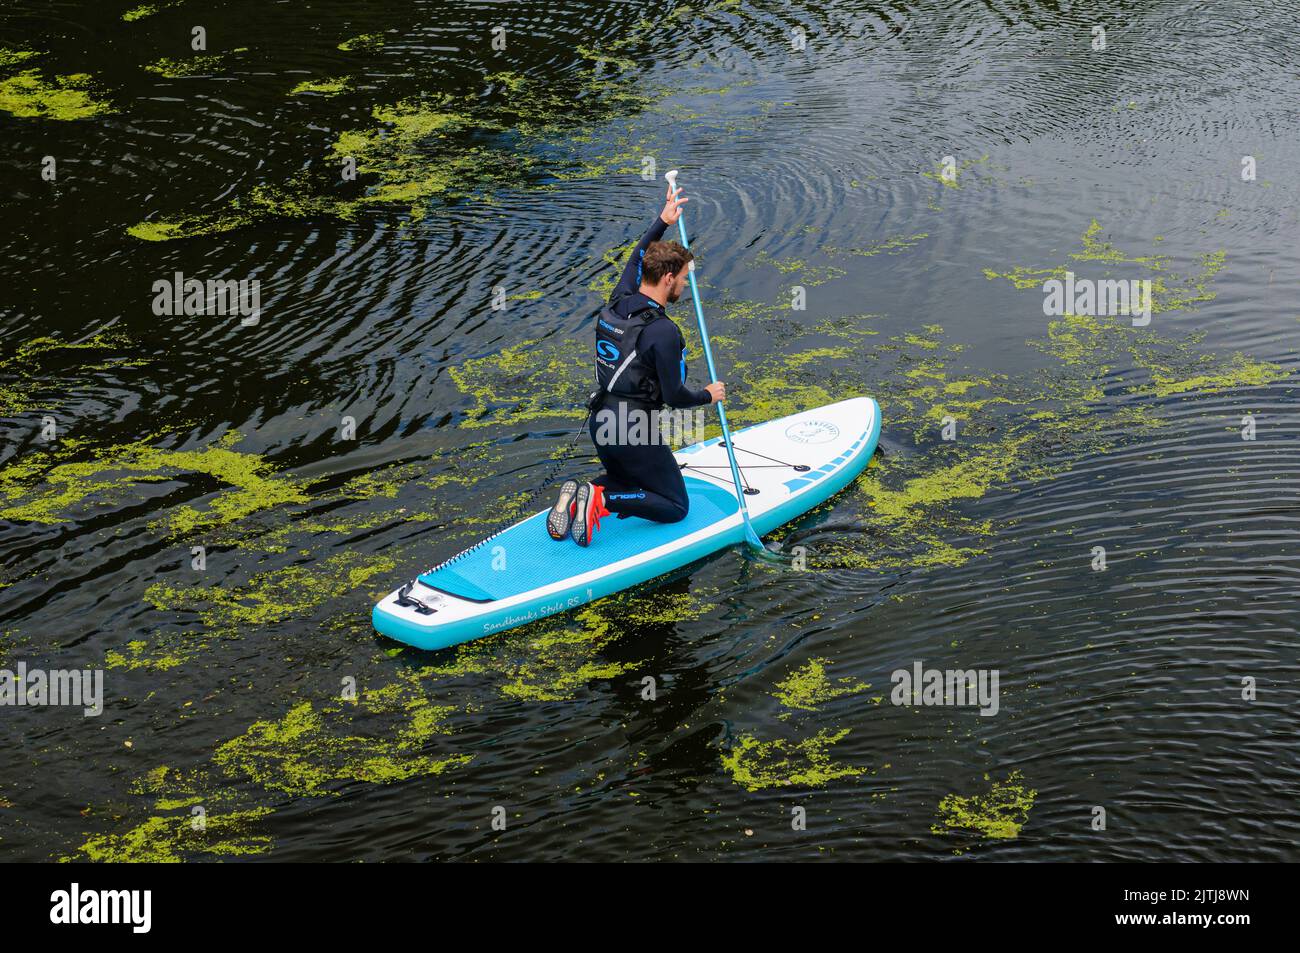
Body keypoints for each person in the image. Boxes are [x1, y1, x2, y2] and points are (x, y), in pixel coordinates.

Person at [549, 183, 726, 547]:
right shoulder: (663, 331)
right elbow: (675, 397)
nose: (683, 287)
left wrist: (662, 222)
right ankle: (601, 497)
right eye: (682, 279)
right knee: (675, 506)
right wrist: (707, 396)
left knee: (631, 480)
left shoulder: (619, 300)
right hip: (633, 430)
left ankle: (584, 492)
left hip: (601, 419)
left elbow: (635, 255)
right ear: (666, 279)